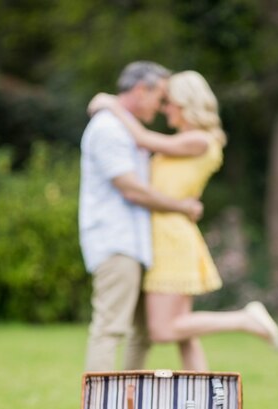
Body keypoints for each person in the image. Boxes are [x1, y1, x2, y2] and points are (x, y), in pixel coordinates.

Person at [89, 70, 278, 370]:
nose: (165, 108)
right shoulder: (188, 141)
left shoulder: (200, 141)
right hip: (166, 233)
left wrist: (111, 105)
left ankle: (244, 319)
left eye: (169, 102)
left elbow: (142, 138)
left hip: (170, 237)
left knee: (164, 329)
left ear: (184, 104)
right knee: (185, 334)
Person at [79, 61, 203, 372]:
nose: (163, 106)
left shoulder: (124, 128)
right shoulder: (107, 128)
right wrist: (182, 207)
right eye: (160, 97)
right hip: (115, 243)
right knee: (110, 330)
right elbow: (131, 189)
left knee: (142, 334)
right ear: (140, 90)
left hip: (136, 246)